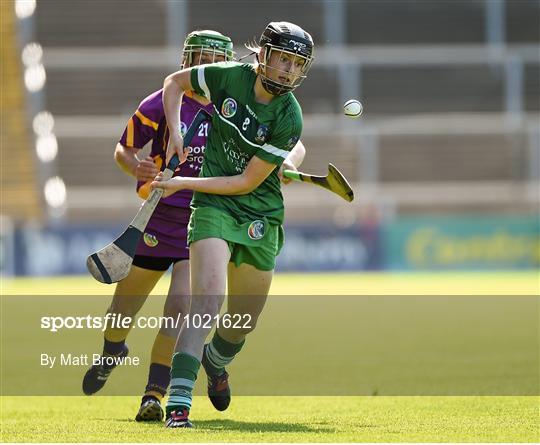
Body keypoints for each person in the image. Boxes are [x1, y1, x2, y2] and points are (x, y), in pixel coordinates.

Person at [151, 21, 314, 428]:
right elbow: (174, 83)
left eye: (297, 65)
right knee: (206, 302)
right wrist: (176, 134)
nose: (288, 71)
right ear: (263, 55)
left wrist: (182, 181)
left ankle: (216, 361)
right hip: (213, 208)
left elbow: (245, 182)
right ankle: (179, 405)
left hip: (259, 213)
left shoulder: (289, 117)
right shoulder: (228, 77)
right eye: (282, 59)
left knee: (242, 322)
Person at [81, 30, 235, 422]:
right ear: (187, 62)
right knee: (121, 311)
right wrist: (138, 166)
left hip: (201, 223)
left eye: (213, 62)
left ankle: (154, 394)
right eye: (199, 60)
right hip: (155, 220)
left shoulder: (233, 112)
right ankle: (112, 350)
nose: (205, 68)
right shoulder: (161, 101)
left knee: (180, 308)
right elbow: (124, 149)